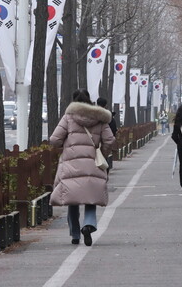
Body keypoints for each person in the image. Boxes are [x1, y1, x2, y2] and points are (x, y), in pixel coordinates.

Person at [49, 88, 116, 246]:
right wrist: (102, 153)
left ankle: (75, 234)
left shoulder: (68, 118)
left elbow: (54, 139)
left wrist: (65, 146)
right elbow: (110, 140)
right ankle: (89, 225)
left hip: (72, 164)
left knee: (73, 199)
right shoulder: (100, 119)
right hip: (93, 163)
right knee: (90, 198)